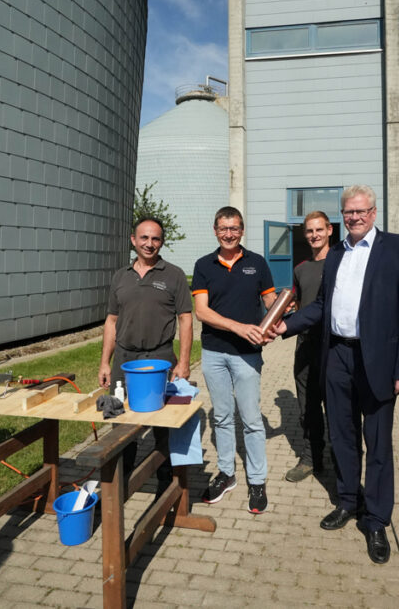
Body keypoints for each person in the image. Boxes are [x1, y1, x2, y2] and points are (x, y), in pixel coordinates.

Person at [269, 185, 399, 564]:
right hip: (336, 354)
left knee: (378, 442)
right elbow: (321, 305)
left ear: (373, 212)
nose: (354, 217)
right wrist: (285, 326)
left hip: (379, 361)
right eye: (348, 213)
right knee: (342, 435)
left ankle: (375, 519)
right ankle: (348, 501)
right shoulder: (335, 254)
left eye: (360, 211)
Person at [191, 207, 278, 514]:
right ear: (215, 230)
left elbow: (271, 302)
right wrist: (238, 327)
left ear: (242, 230)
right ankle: (227, 474)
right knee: (222, 418)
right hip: (214, 353)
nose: (229, 233)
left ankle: (257, 480)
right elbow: (201, 311)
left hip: (247, 355)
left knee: (252, 420)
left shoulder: (257, 263)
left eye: (235, 228)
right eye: (223, 228)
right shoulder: (204, 265)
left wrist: (277, 322)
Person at [98, 217, 192, 480]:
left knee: (163, 420)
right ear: (133, 240)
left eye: (156, 239)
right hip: (124, 359)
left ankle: (166, 474)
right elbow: (111, 321)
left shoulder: (174, 275)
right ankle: (122, 473)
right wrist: (105, 361)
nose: (149, 244)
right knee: (120, 417)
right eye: (144, 238)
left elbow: (186, 319)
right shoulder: (120, 276)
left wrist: (184, 362)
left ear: (162, 242)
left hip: (159, 357)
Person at [284, 211, 333, 482]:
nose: (314, 235)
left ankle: (341, 457)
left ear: (329, 231)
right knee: (308, 408)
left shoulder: (340, 263)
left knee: (337, 407)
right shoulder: (300, 268)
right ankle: (310, 458)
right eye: (309, 231)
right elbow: (301, 307)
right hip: (305, 347)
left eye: (319, 230)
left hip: (333, 348)